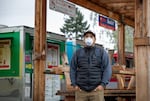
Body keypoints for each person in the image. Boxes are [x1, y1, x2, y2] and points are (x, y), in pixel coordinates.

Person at [70, 31, 112, 101]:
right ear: (83, 39)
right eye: (86, 37)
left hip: (96, 90)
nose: (88, 38)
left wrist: (102, 85)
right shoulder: (78, 53)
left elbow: (107, 68)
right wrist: (74, 84)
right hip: (81, 91)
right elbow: (72, 68)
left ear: (95, 39)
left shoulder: (101, 52)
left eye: (91, 37)